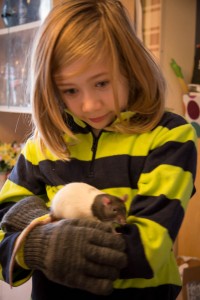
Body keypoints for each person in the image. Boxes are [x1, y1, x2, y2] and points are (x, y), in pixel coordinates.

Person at [0, 1, 197, 299]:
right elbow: (3, 233)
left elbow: (146, 250)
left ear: (130, 68)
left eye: (102, 83)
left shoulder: (170, 137)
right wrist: (40, 246)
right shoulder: (42, 145)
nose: (89, 105)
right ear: (51, 88)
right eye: (70, 90)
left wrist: (36, 228)